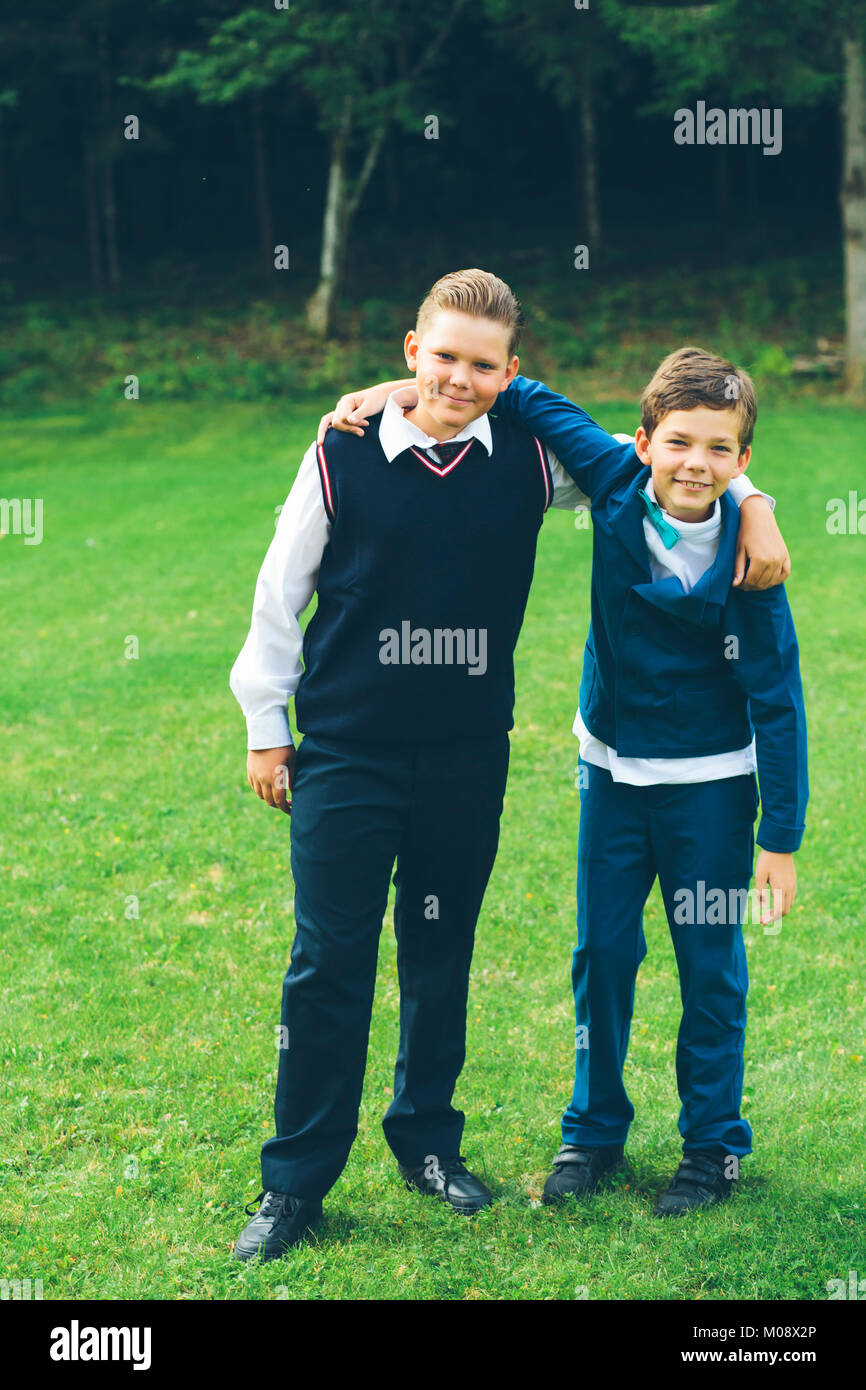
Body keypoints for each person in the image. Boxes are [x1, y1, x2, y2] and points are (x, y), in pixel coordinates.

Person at [229, 272, 789, 1260]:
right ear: (410, 351)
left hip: (464, 750)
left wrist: (752, 500)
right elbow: (282, 589)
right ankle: (295, 1182)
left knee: (438, 953)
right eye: (439, 357)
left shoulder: (532, 461)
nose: (456, 377)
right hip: (347, 747)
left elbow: (662, 463)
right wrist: (265, 724)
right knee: (328, 963)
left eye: (481, 365)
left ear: (509, 374)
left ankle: (428, 1144)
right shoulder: (342, 450)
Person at [489, 349, 808, 1215]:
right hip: (612, 780)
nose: (695, 463)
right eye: (678, 443)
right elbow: (508, 386)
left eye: (719, 450)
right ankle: (592, 1133)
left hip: (710, 788)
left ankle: (712, 1147)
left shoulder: (755, 567)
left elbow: (779, 704)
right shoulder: (612, 478)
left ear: (743, 460)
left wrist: (779, 838)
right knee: (602, 956)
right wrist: (385, 391)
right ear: (643, 443)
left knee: (710, 966)